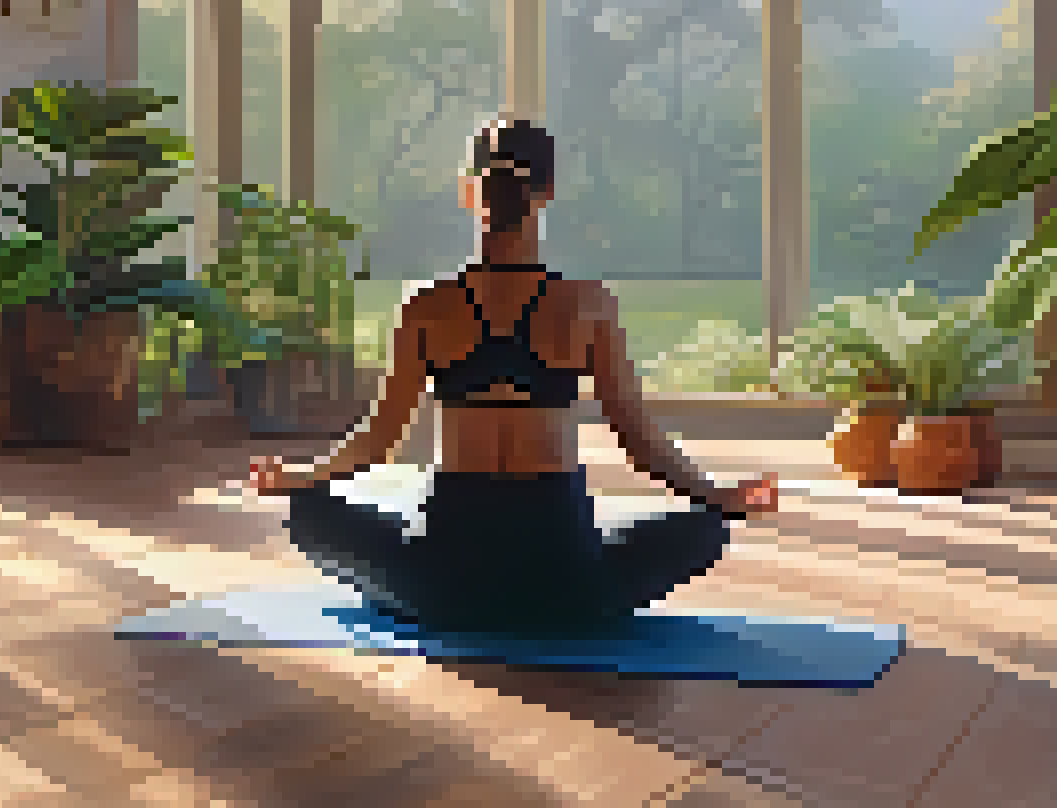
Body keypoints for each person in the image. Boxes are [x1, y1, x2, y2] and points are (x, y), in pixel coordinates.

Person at [246, 117, 780, 637]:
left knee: (308, 514)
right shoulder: (587, 305)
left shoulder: (427, 305)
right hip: (568, 590)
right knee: (707, 526)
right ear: (546, 193)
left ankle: (424, 583)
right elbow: (640, 445)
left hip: (444, 590)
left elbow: (378, 442)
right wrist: (722, 497)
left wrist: (298, 477)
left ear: (468, 191)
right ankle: (575, 587)